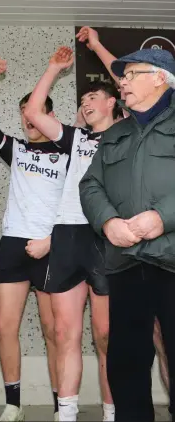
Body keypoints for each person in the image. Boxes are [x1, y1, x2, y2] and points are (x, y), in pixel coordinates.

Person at [77, 26, 171, 408]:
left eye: (132, 74)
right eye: (123, 76)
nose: (123, 83)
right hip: (127, 264)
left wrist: (164, 217)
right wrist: (107, 222)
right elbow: (90, 186)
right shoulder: (115, 135)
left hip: (172, 260)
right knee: (125, 363)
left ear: (161, 79)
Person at [24, 46, 120, 422]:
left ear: (114, 102)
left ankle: (113, 413)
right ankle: (67, 415)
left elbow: (130, 86)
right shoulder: (76, 138)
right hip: (67, 237)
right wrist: (52, 68)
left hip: (106, 238)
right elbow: (33, 113)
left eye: (94, 96)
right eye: (82, 99)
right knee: (66, 335)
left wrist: (96, 46)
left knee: (106, 336)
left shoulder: (128, 134)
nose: (86, 101)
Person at [0, 57, 70, 422]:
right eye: (22, 114)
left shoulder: (68, 152)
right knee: (5, 327)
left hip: (51, 245)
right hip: (14, 245)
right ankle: (14, 404)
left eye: (33, 113)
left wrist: (53, 239)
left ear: (48, 114)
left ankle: (59, 402)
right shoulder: (16, 149)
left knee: (53, 331)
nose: (28, 120)